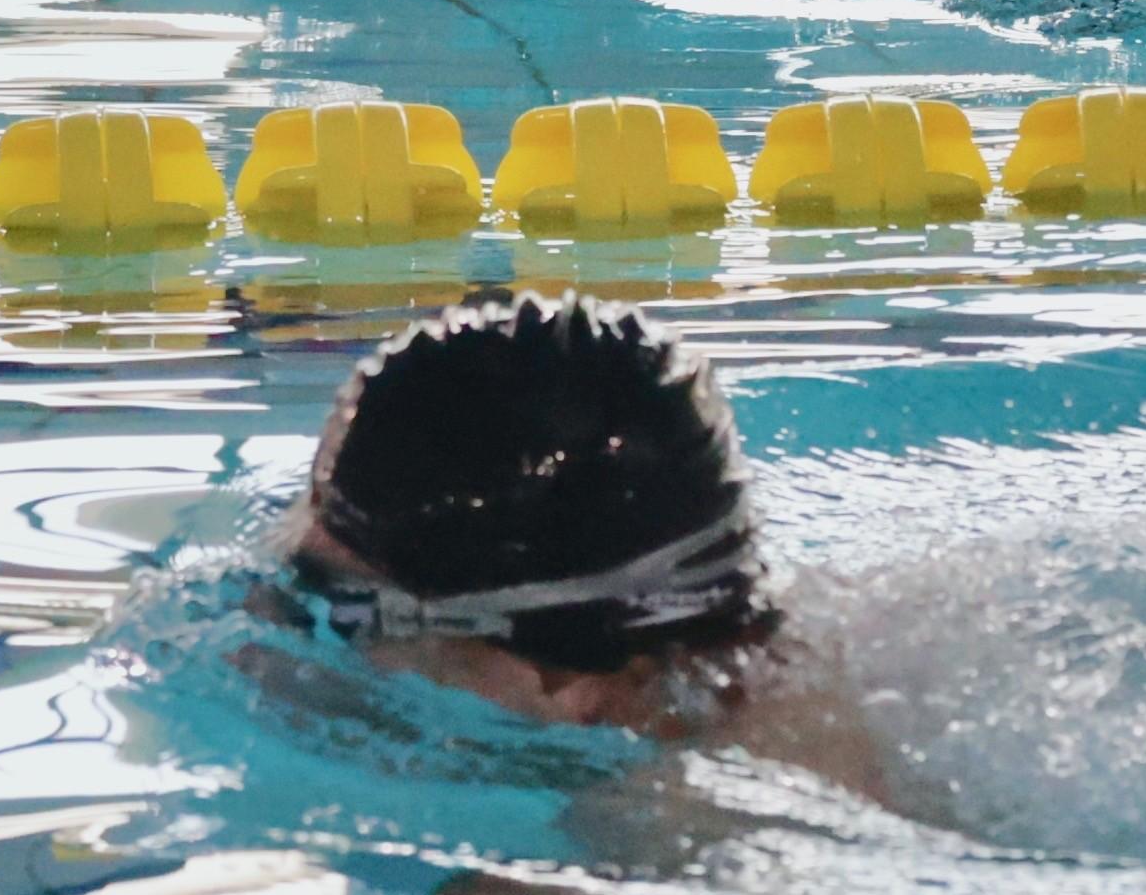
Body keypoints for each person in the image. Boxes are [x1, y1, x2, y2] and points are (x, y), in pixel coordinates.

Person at [277, 293, 888, 801]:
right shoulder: (864, 665)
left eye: (342, 613)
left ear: (564, 678)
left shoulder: (681, 838)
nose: (264, 618)